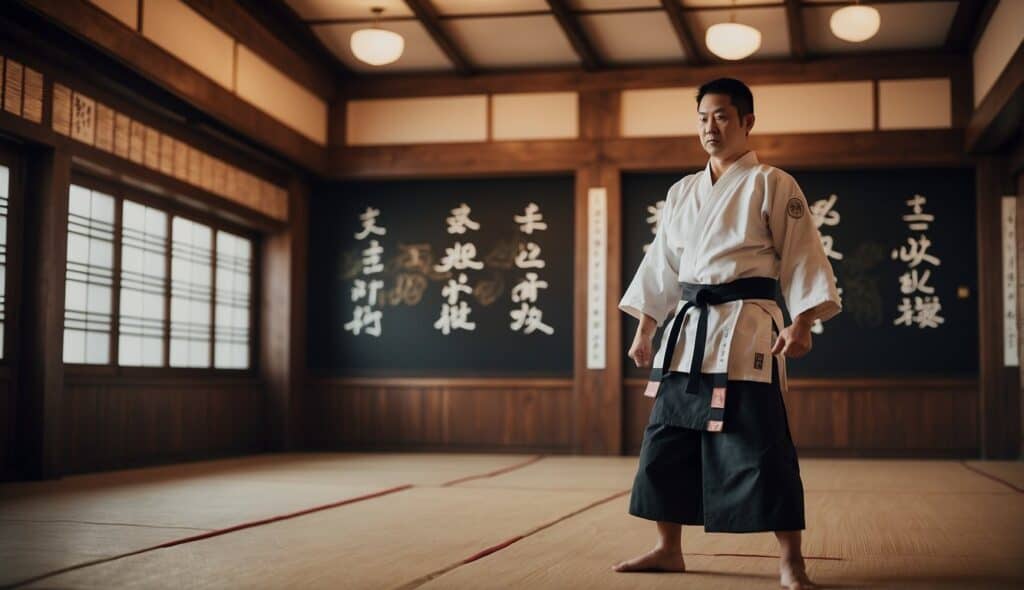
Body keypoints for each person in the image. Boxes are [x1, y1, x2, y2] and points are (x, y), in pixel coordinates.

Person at [611, 78, 841, 590]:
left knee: (761, 443)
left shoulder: (772, 183)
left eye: (720, 116)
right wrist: (646, 326)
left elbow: (803, 254)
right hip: (687, 332)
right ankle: (668, 548)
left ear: (746, 122)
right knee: (666, 441)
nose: (709, 128)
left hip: (746, 333)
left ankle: (791, 562)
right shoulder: (682, 191)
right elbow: (662, 266)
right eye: (701, 118)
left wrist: (803, 322)